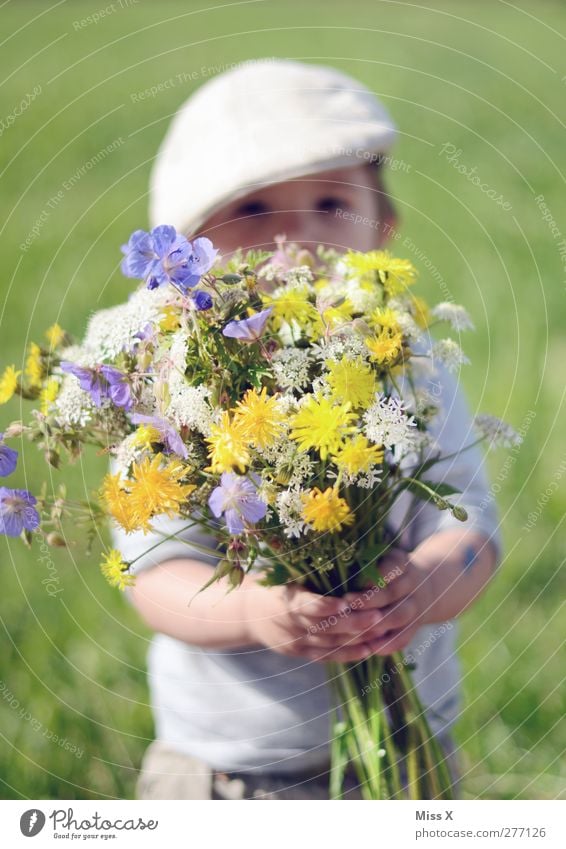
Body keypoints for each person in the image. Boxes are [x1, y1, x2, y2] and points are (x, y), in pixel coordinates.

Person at [110, 58, 502, 800]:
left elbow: (472, 523)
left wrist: (424, 584)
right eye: (253, 210)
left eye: (330, 201)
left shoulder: (408, 363)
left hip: (405, 754)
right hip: (231, 773)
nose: (295, 234)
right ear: (184, 248)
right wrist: (253, 609)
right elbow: (154, 574)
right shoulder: (171, 389)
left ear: (382, 227)